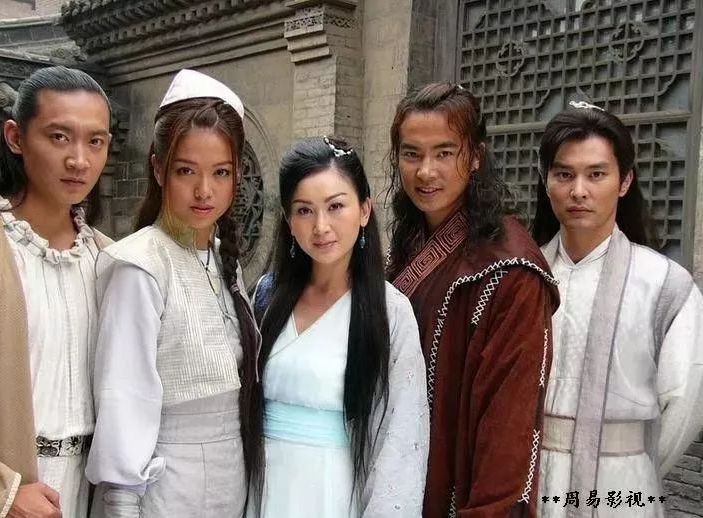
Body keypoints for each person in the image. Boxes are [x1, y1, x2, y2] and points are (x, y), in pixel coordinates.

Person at [0, 65, 112, 518]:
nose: (79, 160)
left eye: (95, 141)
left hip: (91, 493)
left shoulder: (110, 260)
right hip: (1, 493)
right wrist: (0, 493)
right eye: (59, 137)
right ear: (15, 137)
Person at [85, 69, 262, 518]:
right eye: (186, 171)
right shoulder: (140, 265)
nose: (205, 190)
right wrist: (123, 504)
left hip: (232, 478)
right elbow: (124, 396)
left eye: (221, 172)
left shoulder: (222, 260)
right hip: (166, 485)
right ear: (158, 168)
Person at [385, 82, 559, 517]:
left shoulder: (511, 272)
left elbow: (508, 432)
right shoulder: (409, 243)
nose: (426, 172)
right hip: (395, 483)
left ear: (476, 156)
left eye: (445, 153)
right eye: (411, 154)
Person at [532, 101, 703, 518]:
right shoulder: (522, 277)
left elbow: (685, 404)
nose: (579, 191)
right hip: (532, 483)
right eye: (564, 174)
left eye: (596, 174)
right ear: (545, 179)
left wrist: (635, 467)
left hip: (622, 487)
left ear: (624, 181)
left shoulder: (664, 284)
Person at [250, 137, 429, 517]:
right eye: (304, 210)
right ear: (288, 220)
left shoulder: (389, 311)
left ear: (364, 210)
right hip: (263, 488)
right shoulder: (267, 297)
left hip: (334, 491)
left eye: (335, 206)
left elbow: (400, 440)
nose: (321, 226)